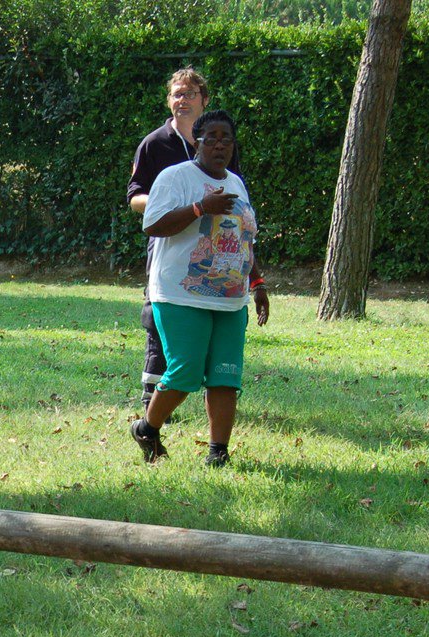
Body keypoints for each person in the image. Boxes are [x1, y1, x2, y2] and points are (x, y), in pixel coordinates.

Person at [130, 110, 269, 468]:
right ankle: (147, 428)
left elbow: (243, 238)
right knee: (185, 372)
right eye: (212, 137)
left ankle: (218, 452)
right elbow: (153, 226)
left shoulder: (236, 183)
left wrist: (257, 283)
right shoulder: (175, 177)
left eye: (227, 138)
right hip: (179, 293)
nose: (220, 144)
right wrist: (198, 208)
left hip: (230, 298)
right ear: (198, 141)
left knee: (225, 375)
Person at [126, 69, 246, 411]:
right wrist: (178, 204)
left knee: (210, 319)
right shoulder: (153, 143)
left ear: (204, 100)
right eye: (177, 94)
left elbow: (232, 191)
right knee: (160, 312)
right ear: (169, 100)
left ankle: (210, 386)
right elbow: (135, 197)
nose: (183, 100)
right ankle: (153, 392)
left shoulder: (217, 140)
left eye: (190, 94)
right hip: (169, 241)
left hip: (215, 247)